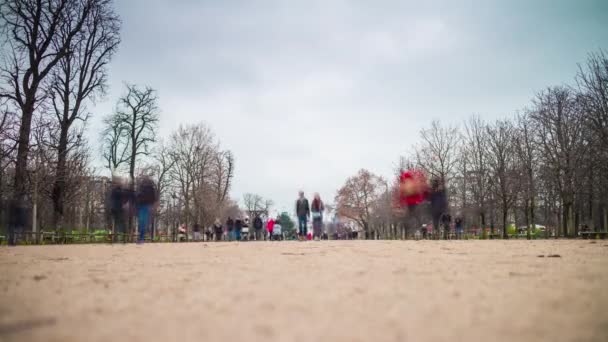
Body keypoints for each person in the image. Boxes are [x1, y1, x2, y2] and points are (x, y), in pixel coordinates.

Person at [135, 175, 157, 244]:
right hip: (143, 205)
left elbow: (153, 198)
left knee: (142, 222)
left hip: (145, 206)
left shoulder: (147, 189)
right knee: (142, 222)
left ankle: (141, 238)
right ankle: (141, 238)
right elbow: (153, 198)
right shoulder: (144, 188)